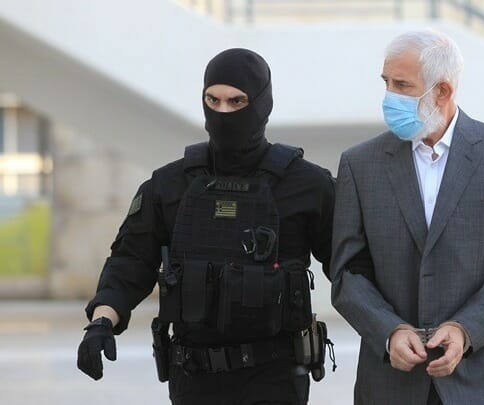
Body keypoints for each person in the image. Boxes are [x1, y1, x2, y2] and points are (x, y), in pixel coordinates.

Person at [76, 48, 335, 405]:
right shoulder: (168, 185)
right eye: (213, 100)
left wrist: (391, 328)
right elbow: (131, 261)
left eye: (236, 101)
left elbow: (349, 266)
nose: (223, 112)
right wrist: (102, 321)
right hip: (194, 379)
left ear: (262, 103)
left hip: (275, 380)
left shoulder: (308, 185)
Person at [330, 29, 484, 404]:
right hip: (391, 384)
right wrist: (389, 331)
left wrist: (465, 329)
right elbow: (347, 272)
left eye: (402, 85)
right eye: (386, 83)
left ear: (443, 91)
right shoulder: (359, 164)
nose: (389, 96)